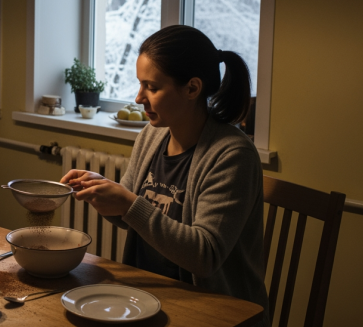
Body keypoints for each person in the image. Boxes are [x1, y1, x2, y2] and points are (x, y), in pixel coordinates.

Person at [61, 25, 270, 327]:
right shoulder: (152, 135)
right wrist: (102, 191)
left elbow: (205, 255)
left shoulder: (232, 155)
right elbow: (129, 215)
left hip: (214, 309)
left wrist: (129, 203)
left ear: (192, 88)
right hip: (146, 298)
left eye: (152, 88)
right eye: (140, 85)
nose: (138, 97)